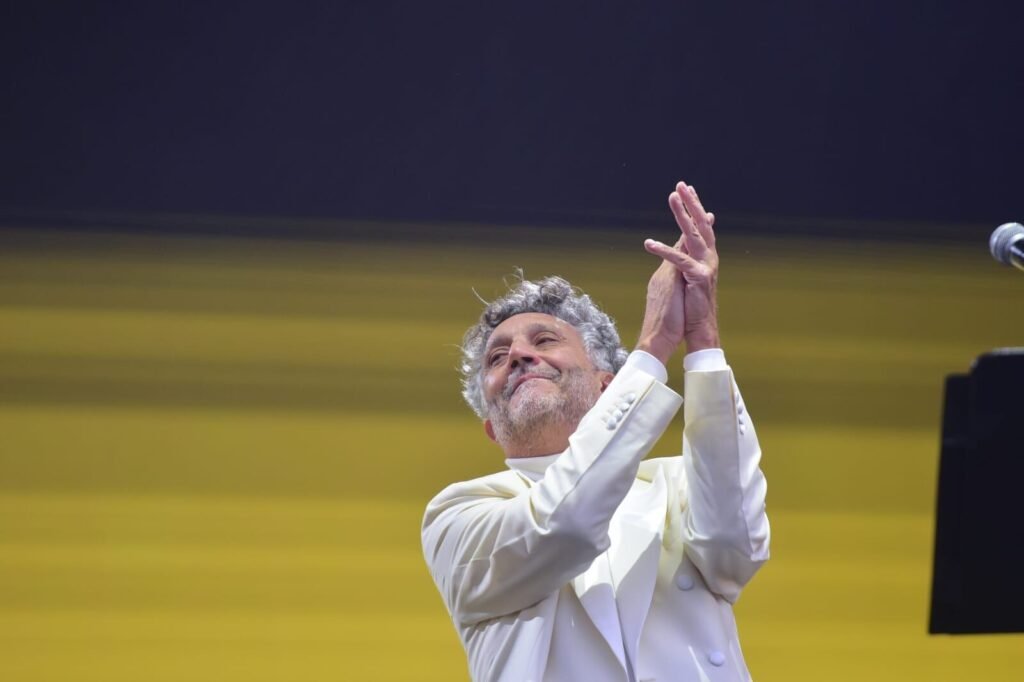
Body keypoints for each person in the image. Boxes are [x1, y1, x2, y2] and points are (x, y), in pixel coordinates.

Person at [421, 181, 770, 682]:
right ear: (492, 429)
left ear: (609, 386)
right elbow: (562, 527)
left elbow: (735, 551)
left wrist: (703, 340)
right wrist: (653, 345)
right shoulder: (458, 513)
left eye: (545, 340)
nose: (518, 355)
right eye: (497, 357)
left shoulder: (673, 485)